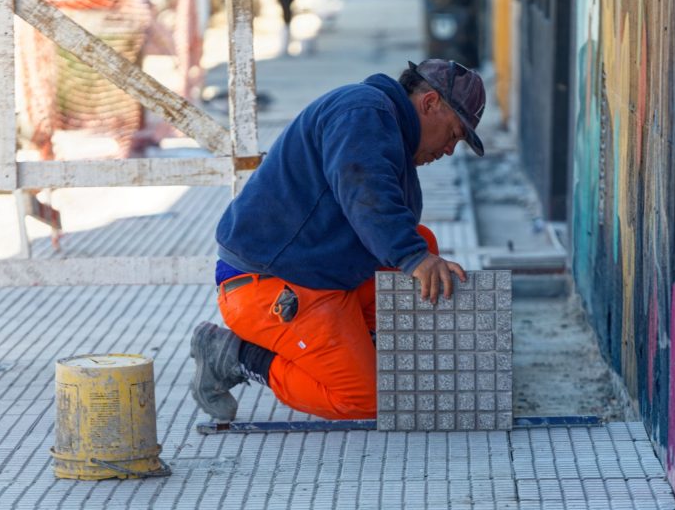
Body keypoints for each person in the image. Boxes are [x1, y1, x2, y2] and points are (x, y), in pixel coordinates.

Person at [190, 59, 487, 421]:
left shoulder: (384, 125)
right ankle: (234, 354)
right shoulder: (363, 112)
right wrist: (414, 257)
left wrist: (416, 254)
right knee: (365, 399)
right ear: (430, 104)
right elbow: (365, 191)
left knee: (422, 243)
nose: (450, 150)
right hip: (267, 284)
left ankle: (367, 353)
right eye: (454, 135)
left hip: (312, 268)